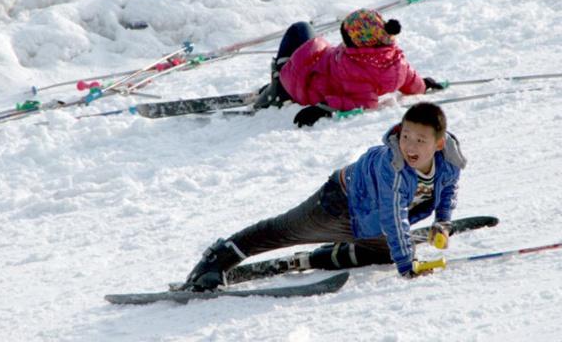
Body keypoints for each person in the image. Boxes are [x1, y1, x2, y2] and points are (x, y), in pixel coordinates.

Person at [182, 102, 465, 291]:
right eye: (406, 136)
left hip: (369, 221)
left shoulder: (449, 160)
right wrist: (408, 268)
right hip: (338, 202)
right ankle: (216, 259)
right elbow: (394, 215)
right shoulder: (392, 166)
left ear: (439, 144)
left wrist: (443, 221)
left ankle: (338, 252)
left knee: (387, 254)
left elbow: (447, 189)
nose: (409, 146)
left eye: (420, 140)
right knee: (284, 231)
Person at [254, 9, 445, 127]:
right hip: (317, 66)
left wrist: (323, 109)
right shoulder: (394, 59)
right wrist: (423, 85)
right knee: (304, 34)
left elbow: (363, 102)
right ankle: (277, 82)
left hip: (303, 84)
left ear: (358, 41)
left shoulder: (355, 67)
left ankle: (277, 90)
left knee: (299, 29)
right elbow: (410, 79)